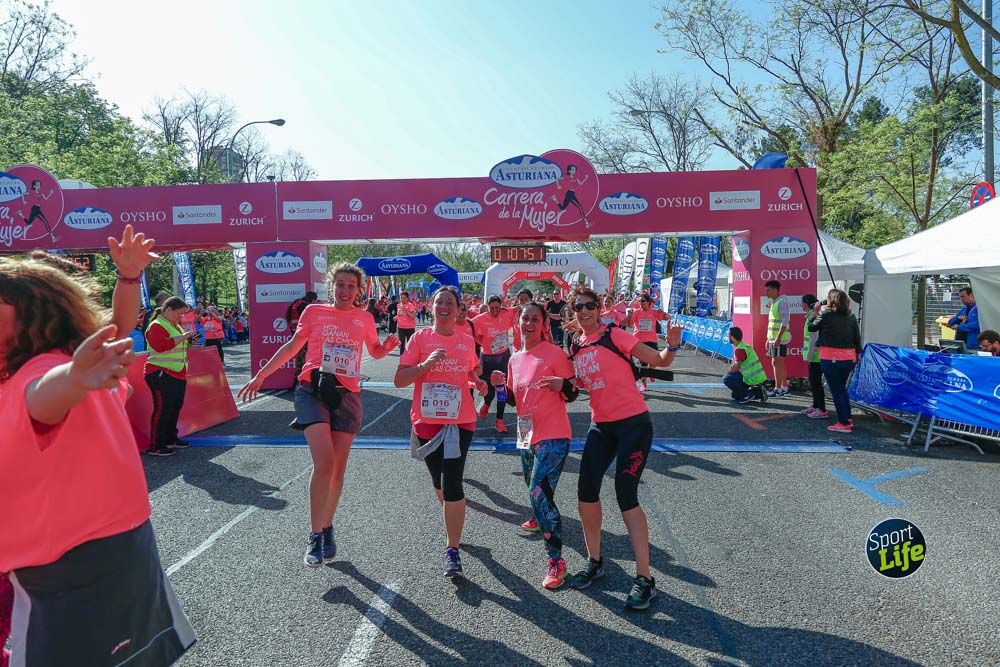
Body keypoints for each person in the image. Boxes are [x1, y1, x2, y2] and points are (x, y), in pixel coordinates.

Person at [0, 225, 195, 666]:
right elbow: (117, 327)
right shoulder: (80, 365)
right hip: (121, 545)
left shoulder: (44, 374)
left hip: (58, 565)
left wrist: (72, 380)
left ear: (32, 316)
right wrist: (128, 280)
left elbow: (43, 397)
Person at [239, 264, 399, 567]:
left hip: (347, 394)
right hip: (312, 390)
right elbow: (292, 347)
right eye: (340, 284)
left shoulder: (364, 318)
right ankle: (314, 534)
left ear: (359, 290)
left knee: (337, 469)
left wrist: (387, 347)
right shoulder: (313, 312)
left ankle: (327, 527)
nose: (345, 291)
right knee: (324, 463)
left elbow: (375, 351)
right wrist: (261, 375)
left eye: (351, 286)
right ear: (331, 286)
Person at [565, 286, 682, 610]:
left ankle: (645, 578)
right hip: (601, 426)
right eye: (579, 307)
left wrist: (671, 344)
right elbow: (580, 384)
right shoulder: (577, 344)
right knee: (586, 492)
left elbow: (658, 360)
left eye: (590, 306)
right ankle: (595, 561)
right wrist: (564, 386)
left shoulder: (615, 335)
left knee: (625, 494)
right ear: (574, 311)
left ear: (599, 308)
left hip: (634, 425)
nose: (585, 311)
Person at [394, 286, 488, 578]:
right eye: (439, 302)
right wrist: (425, 365)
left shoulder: (466, 340)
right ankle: (453, 521)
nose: (444, 306)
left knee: (452, 483)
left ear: (460, 310)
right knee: (438, 481)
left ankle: (453, 551)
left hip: (459, 421)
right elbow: (399, 380)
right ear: (431, 307)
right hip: (426, 421)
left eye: (450, 303)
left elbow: (473, 372)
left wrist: (479, 383)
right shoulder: (420, 338)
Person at [492, 302, 578, 589]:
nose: (528, 323)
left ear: (543, 325)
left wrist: (562, 386)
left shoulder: (555, 354)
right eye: (524, 318)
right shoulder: (515, 359)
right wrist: (500, 388)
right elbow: (515, 400)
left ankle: (556, 561)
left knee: (538, 492)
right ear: (518, 323)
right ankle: (537, 513)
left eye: (534, 319)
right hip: (526, 432)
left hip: (554, 434)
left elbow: (574, 392)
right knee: (533, 486)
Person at [145, 296, 199, 456]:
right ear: (168, 310)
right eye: (179, 314)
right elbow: (161, 346)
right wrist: (184, 337)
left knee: (174, 408)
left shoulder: (173, 325)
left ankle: (170, 438)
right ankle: (155, 445)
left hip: (176, 372)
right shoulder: (156, 325)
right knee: (163, 409)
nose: (181, 317)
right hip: (161, 372)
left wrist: (189, 342)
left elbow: (176, 346)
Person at [808, 288, 863, 434]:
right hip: (848, 358)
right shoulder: (850, 316)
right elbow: (857, 337)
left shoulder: (825, 314)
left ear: (831, 300)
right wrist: (858, 354)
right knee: (841, 389)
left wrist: (815, 312)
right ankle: (847, 418)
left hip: (830, 357)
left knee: (837, 390)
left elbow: (811, 327)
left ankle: (844, 422)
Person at [472, 295, 516, 432]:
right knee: (489, 390)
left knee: (501, 389)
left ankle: (499, 420)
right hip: (487, 359)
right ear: (487, 306)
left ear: (501, 306)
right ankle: (486, 403)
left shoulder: (506, 313)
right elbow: (468, 328)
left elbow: (519, 308)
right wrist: (482, 342)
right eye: (492, 308)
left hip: (503, 357)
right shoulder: (480, 319)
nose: (495, 310)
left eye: (497, 307)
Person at [627, 295, 668, 392]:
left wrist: (663, 313)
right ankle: (644, 384)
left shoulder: (654, 312)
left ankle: (651, 372)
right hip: (639, 340)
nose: (640, 303)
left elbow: (666, 318)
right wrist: (629, 316)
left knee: (654, 361)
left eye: (643, 301)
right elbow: (629, 324)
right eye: (639, 301)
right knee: (643, 364)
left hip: (652, 340)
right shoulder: (636, 312)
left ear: (648, 302)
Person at [721, 327, 767, 403]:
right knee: (735, 395)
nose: (728, 337)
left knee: (726, 378)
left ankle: (747, 395)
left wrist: (729, 372)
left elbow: (736, 368)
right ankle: (759, 393)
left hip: (751, 378)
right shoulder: (745, 346)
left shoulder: (740, 350)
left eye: (728, 335)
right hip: (757, 376)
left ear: (732, 337)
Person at [801, 294, 828, 418]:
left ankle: (821, 409)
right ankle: (815, 405)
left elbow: (813, 339)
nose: (801, 305)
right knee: (813, 382)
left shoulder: (814, 317)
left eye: (802, 303)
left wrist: (809, 356)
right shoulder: (810, 316)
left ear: (806, 304)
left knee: (816, 383)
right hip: (813, 356)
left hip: (815, 357)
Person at [764, 280, 792, 396]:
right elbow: (772, 323)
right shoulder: (776, 302)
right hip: (774, 338)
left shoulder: (781, 302)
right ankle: (783, 387)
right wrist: (768, 338)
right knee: (778, 362)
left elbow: (784, 321)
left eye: (768, 290)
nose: (767, 292)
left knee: (776, 362)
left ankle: (778, 388)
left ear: (775, 290)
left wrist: (778, 338)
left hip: (779, 339)